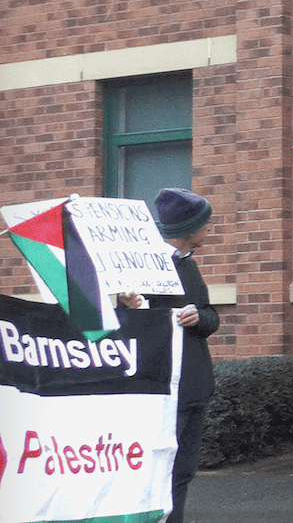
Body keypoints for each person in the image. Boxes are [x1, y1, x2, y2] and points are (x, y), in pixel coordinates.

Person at [117, 188, 220, 523]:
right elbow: (130, 322)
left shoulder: (189, 265)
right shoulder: (146, 265)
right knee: (159, 470)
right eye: (204, 223)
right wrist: (132, 306)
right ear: (188, 228)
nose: (209, 229)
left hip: (194, 384)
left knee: (184, 470)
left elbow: (210, 315)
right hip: (163, 386)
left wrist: (199, 317)